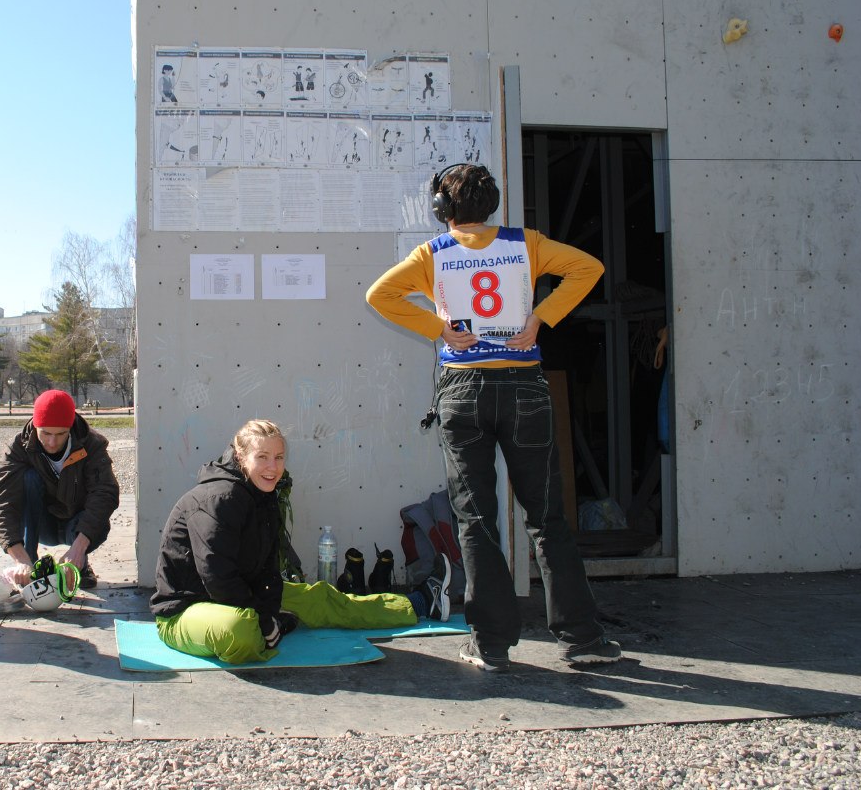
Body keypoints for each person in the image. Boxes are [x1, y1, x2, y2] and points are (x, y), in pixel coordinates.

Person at [366, 163, 622, 672]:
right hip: (524, 384)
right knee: (547, 518)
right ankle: (583, 640)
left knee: (476, 519)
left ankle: (491, 643)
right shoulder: (526, 243)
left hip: (464, 387)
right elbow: (588, 268)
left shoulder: (433, 254)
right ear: (493, 204)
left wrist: (438, 327)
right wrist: (540, 318)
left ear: (443, 210)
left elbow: (380, 295)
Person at [151, 419, 450, 665]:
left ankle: (420, 602)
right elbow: (216, 575)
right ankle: (274, 627)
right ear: (241, 457)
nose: (273, 467)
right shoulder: (218, 499)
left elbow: (268, 566)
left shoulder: (263, 495)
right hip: (188, 608)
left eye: (279, 457)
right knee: (238, 629)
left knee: (319, 599)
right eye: (262, 457)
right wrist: (264, 617)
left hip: (241, 594)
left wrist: (266, 609)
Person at [0, 389, 119, 591]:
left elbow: (105, 493)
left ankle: (79, 563)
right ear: (35, 425)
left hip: (75, 524)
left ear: (71, 428)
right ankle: (28, 565)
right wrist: (19, 557)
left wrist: (79, 548)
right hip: (40, 523)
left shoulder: (92, 444)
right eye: (45, 433)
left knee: (99, 515)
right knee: (28, 478)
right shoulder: (18, 447)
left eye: (61, 434)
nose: (52, 442)